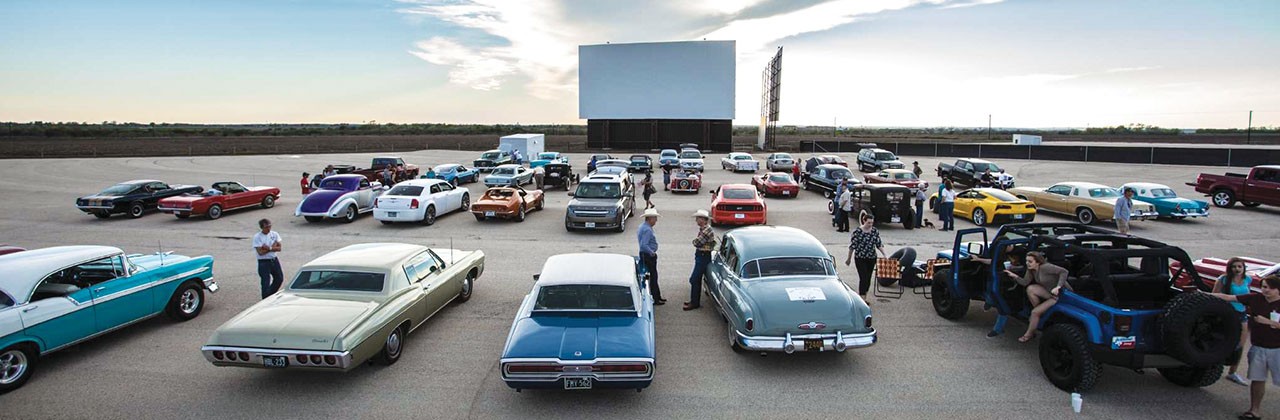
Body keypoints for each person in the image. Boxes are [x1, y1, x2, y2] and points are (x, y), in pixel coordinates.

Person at [1205, 275, 1280, 420]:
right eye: (1264, 287)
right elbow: (1229, 297)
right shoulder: (1255, 298)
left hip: (1277, 349)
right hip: (1258, 348)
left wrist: (1271, 323)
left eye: (1270, 288)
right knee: (1258, 380)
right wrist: (1205, 294)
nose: (1266, 291)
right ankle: (1254, 411)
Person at [1215, 257, 1256, 386]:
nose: (1237, 269)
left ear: (1243, 268)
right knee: (1221, 340)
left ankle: (1232, 372)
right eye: (1234, 267)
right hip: (1227, 313)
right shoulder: (1223, 279)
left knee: (1240, 344)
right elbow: (1214, 295)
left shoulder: (1248, 279)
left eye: (1239, 266)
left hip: (1242, 314)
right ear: (1229, 268)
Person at [1015, 251, 1071, 342]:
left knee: (1034, 313)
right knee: (1030, 289)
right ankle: (1039, 312)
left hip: (1060, 295)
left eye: (1030, 261)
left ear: (1038, 262)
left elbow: (1064, 271)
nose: (1027, 263)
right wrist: (1014, 276)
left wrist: (1058, 286)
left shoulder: (1046, 267)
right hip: (1049, 292)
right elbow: (1025, 282)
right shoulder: (1031, 270)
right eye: (1026, 261)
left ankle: (1029, 334)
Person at [844, 211, 886, 297]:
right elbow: (852, 246)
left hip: (871, 258)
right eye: (868, 223)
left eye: (872, 223)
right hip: (860, 258)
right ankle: (862, 297)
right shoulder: (857, 232)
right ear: (864, 221)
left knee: (868, 278)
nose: (870, 225)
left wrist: (885, 254)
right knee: (863, 278)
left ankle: (865, 294)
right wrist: (849, 259)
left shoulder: (874, 231)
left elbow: (878, 244)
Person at [684, 209, 716, 311]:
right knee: (696, 279)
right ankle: (694, 301)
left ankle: (694, 302)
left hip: (703, 256)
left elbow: (696, 243)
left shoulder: (707, 231)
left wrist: (695, 241)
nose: (696, 220)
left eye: (698, 218)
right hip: (702, 255)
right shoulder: (705, 230)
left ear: (703, 220)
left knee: (694, 279)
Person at [637, 208, 665, 305]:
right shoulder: (647, 230)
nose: (656, 221)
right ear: (650, 219)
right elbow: (643, 245)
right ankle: (655, 298)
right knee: (653, 277)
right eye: (655, 218)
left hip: (646, 255)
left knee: (653, 276)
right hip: (648, 256)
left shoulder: (643, 227)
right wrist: (651, 252)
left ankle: (657, 296)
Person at [252, 219, 285, 299]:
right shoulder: (257, 237)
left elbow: (279, 248)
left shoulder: (274, 234)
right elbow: (260, 252)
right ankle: (265, 297)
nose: (269, 229)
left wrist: (269, 248)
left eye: (270, 226)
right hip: (264, 262)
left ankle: (269, 295)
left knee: (279, 278)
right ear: (262, 228)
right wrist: (273, 247)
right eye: (266, 227)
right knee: (265, 282)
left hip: (274, 259)